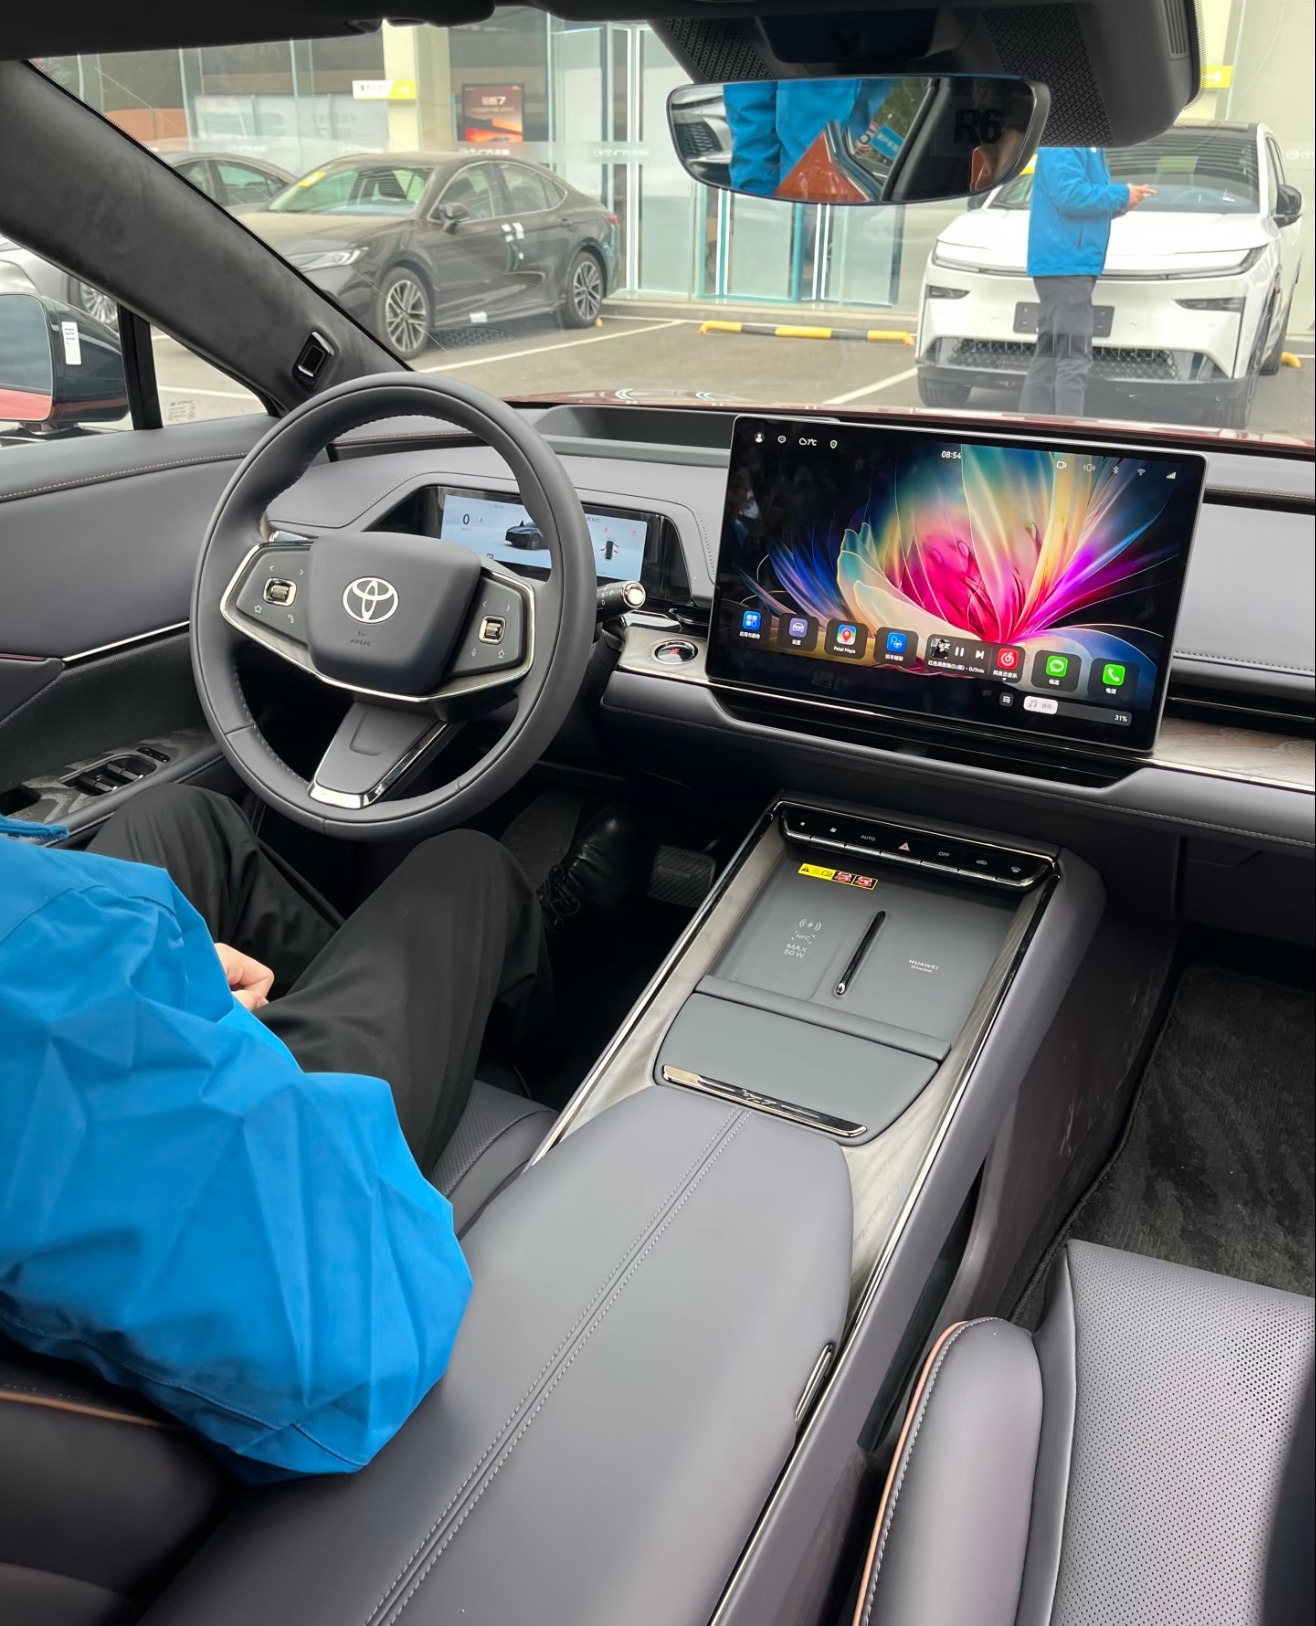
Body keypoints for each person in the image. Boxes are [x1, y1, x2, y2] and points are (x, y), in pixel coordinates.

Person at [0, 785, 636, 1478]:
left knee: (184, 819)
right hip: (215, 1151)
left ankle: (435, 987)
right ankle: (534, 1024)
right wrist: (211, 1027)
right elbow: (342, 1339)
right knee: (467, 867)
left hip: (71, 1014)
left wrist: (172, 974)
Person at [1020, 147, 1155, 417]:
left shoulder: (1083, 143)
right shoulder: (1065, 142)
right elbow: (1070, 196)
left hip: (1066, 265)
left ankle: (1031, 427)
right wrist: (1120, 195)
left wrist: (1123, 201)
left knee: (1049, 357)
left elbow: (1080, 200)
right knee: (1073, 357)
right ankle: (1069, 433)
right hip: (1067, 265)